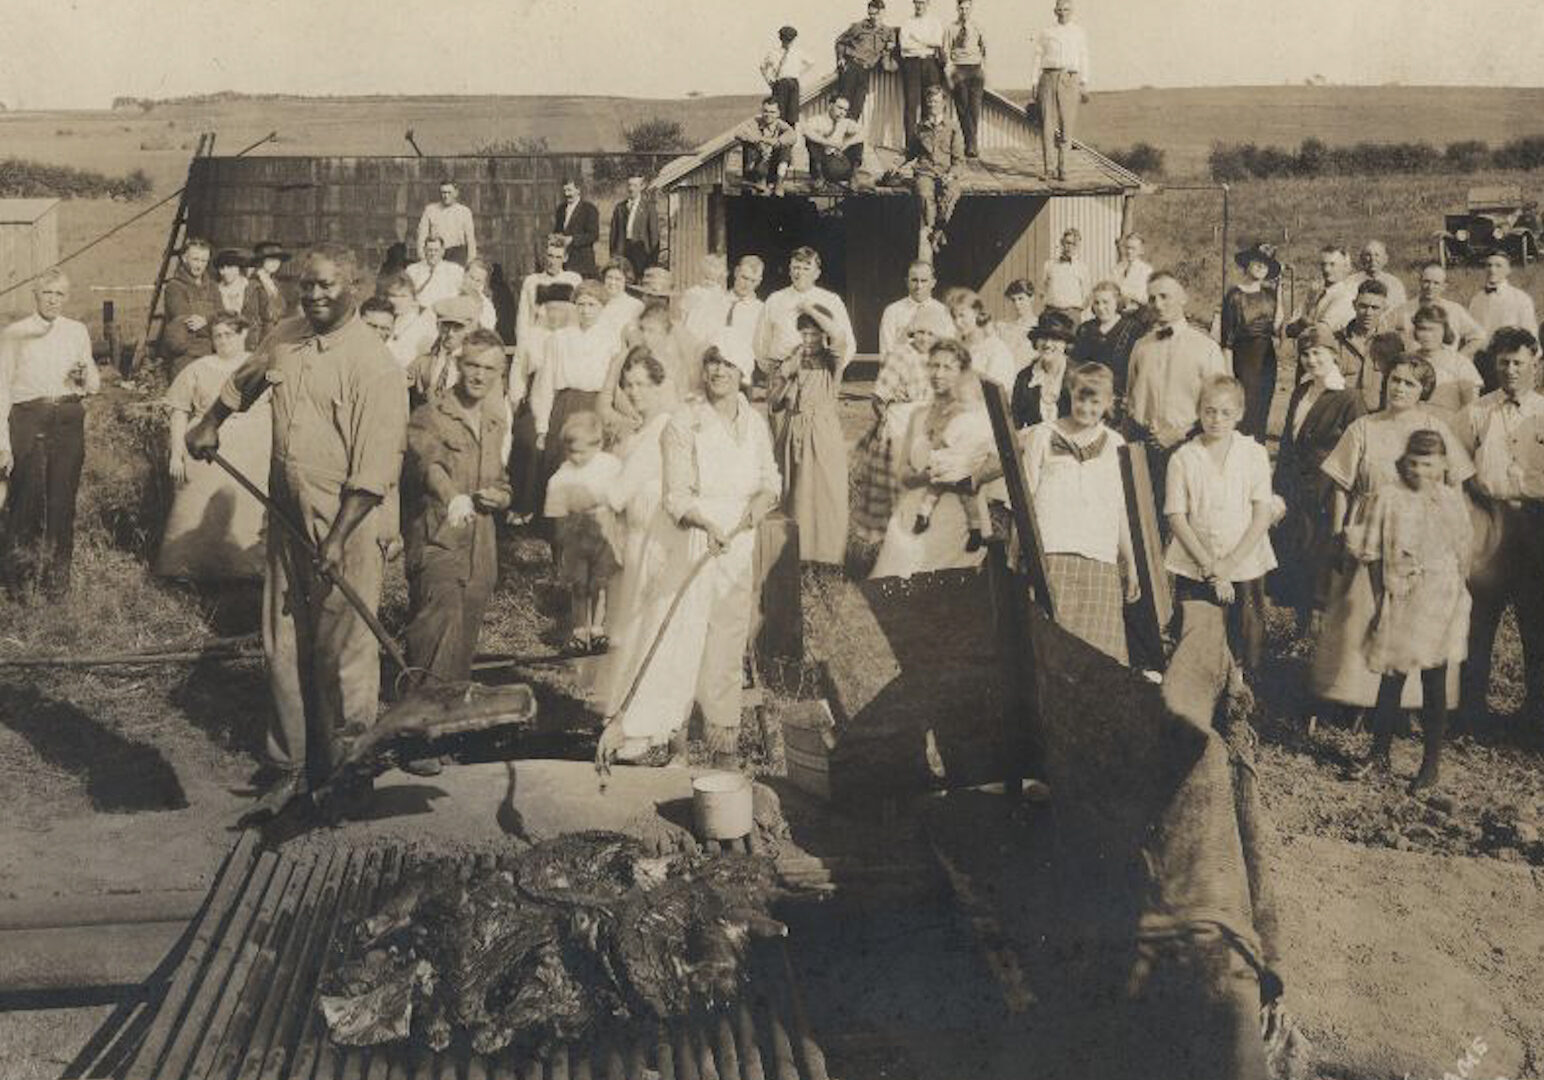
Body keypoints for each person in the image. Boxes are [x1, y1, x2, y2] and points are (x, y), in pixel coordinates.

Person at [185, 242, 408, 791]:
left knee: (346, 647)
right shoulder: (284, 335)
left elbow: (374, 471)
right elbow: (246, 381)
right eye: (306, 284)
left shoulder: (374, 365)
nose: (313, 295)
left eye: (326, 285)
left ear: (354, 286)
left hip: (347, 523)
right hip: (285, 514)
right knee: (282, 638)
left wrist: (336, 538)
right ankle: (289, 762)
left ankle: (350, 764)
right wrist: (210, 421)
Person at [597, 346, 781, 769]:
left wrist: (762, 501)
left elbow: (770, 477)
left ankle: (722, 751)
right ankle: (670, 743)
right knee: (683, 640)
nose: (719, 370)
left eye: (728, 362)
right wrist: (705, 524)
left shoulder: (754, 422)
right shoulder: (685, 421)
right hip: (695, 538)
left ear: (743, 371)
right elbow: (675, 496)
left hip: (740, 539)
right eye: (713, 361)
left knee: (727, 642)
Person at [1311, 355, 1474, 725]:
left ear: (1423, 391)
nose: (1399, 388)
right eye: (1395, 380)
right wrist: (1340, 533)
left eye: (1410, 383)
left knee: (1415, 621)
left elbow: (1456, 483)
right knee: (1361, 616)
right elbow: (1340, 486)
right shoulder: (1363, 427)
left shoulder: (1436, 428)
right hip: (1367, 529)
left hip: (1419, 538)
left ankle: (1409, 708)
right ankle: (1352, 701)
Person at [1344, 428, 1471, 792]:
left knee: (1434, 680)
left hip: (1440, 598)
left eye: (1428, 464)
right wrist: (1381, 596)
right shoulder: (1389, 497)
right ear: (1405, 463)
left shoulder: (1451, 501)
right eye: (1414, 463)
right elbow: (1370, 554)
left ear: (1443, 465)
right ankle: (1379, 752)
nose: (1420, 471)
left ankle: (1430, 765)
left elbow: (1463, 556)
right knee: (1391, 677)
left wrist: (1455, 598)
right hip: (1398, 594)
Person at [401, 335, 511, 692]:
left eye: (489, 368)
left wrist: (502, 496)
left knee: (465, 634)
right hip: (439, 539)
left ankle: (449, 718)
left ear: (500, 373)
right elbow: (428, 465)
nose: (480, 375)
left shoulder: (495, 421)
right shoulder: (429, 415)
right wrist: (453, 498)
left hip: (481, 545)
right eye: (473, 365)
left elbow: (502, 478)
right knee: (435, 630)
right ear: (460, 366)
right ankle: (422, 714)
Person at [1452, 327, 1544, 732]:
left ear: (1535, 362)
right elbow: (1452, 463)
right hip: (1489, 522)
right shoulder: (1476, 412)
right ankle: (1472, 711)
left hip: (1537, 523)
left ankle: (1535, 714)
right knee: (1479, 618)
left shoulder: (1543, 411)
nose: (1510, 370)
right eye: (1503, 362)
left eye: (1518, 362)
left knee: (1536, 621)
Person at [1164, 375, 1278, 683]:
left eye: (1226, 413)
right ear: (1199, 411)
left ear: (1239, 413)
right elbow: (1176, 516)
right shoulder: (1184, 457)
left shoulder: (1252, 453)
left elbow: (1261, 514)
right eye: (1209, 411)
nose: (1216, 419)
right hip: (1196, 562)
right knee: (1199, 635)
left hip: (1244, 562)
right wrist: (1211, 567)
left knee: (1244, 634)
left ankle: (1240, 698)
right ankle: (1202, 699)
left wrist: (1228, 566)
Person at [1023, 362, 1139, 661]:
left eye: (1095, 401)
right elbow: (1025, 499)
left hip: (1098, 558)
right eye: (1080, 399)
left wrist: (1131, 563)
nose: (1086, 408)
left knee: (1100, 655)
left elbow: (1119, 508)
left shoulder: (1116, 444)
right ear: (1069, 394)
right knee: (1051, 648)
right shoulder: (1044, 435)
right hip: (1052, 551)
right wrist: (1020, 550)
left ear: (1109, 403)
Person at [594, 349, 677, 761]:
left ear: (660, 386)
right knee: (629, 626)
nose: (634, 392)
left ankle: (643, 729)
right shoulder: (638, 430)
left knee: (645, 628)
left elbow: (618, 490)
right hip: (633, 538)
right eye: (628, 385)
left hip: (654, 541)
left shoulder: (661, 428)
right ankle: (627, 722)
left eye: (643, 384)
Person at [0, 269, 100, 596]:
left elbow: (94, 384)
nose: (53, 300)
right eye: (47, 293)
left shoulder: (76, 331)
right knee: (25, 498)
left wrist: (84, 377)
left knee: (62, 500)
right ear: (35, 294)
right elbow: (2, 389)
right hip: (29, 416)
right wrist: (3, 443)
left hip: (68, 416)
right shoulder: (15, 333)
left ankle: (57, 584)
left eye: (59, 294)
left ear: (66, 297)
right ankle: (19, 584)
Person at [157, 310, 270, 581]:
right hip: (206, 450)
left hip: (254, 449)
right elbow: (179, 411)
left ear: (244, 334)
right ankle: (187, 568)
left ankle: (247, 569)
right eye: (217, 336)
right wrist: (176, 453)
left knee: (249, 509)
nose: (222, 341)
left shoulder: (260, 366)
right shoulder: (197, 368)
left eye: (229, 334)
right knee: (195, 505)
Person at [1268, 324, 1367, 632]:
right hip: (1297, 486)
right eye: (1306, 354)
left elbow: (1359, 448)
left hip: (1327, 490)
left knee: (1322, 553)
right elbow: (1288, 439)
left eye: (1318, 353)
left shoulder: (1349, 398)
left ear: (1333, 355)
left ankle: (1321, 626)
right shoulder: (1301, 390)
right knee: (1297, 551)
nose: (1311, 360)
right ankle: (1301, 622)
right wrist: (1278, 486)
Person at [870, 338, 996, 578]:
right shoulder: (918, 414)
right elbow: (903, 475)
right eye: (934, 365)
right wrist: (924, 476)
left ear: (963, 373)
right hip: (918, 512)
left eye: (948, 367)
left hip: (961, 519)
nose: (938, 374)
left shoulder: (978, 417)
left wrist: (968, 477)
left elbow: (998, 463)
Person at [853, 305, 952, 546]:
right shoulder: (901, 354)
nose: (925, 338)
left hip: (928, 426)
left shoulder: (938, 359)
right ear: (913, 332)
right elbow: (879, 397)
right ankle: (884, 541)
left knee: (924, 483)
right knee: (895, 482)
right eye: (920, 332)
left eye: (931, 334)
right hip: (900, 422)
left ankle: (918, 538)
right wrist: (886, 421)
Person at [1124, 272, 1230, 492]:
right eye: (1152, 298)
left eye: (1165, 296)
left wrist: (1180, 433)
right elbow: (1131, 398)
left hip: (1190, 446)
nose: (1158, 304)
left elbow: (1221, 405)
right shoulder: (1140, 347)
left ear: (1183, 298)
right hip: (1145, 448)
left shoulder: (1206, 348)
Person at [768, 306, 851, 566]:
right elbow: (773, 402)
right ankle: (795, 555)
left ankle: (826, 557)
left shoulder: (831, 361)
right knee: (794, 494)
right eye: (804, 334)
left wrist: (808, 307)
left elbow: (839, 335)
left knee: (824, 492)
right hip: (794, 429)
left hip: (823, 432)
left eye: (815, 334)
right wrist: (785, 375)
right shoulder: (792, 360)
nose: (809, 340)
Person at [544, 410, 622, 654]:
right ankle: (580, 630)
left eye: (582, 452)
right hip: (575, 536)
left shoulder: (610, 466)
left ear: (598, 444)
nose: (575, 457)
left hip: (604, 532)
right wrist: (559, 546)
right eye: (571, 451)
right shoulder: (561, 476)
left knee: (600, 582)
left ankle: (597, 629)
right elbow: (556, 516)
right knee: (579, 584)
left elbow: (620, 500)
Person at [532, 282, 616, 507]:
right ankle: (556, 524)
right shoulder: (559, 338)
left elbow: (614, 383)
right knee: (561, 460)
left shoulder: (612, 340)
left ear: (602, 307)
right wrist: (542, 426)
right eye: (581, 304)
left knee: (592, 462)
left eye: (592, 305)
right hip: (565, 404)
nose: (586, 310)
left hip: (595, 405)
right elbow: (545, 383)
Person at [508, 282, 574, 524]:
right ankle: (524, 503)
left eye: (561, 309)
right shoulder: (532, 337)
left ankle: (552, 508)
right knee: (528, 440)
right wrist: (517, 400)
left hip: (562, 399)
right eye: (551, 309)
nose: (556, 315)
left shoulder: (572, 336)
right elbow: (518, 372)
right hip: (534, 400)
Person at [755, 247, 857, 374]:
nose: (800, 273)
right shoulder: (775, 300)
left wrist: (832, 373)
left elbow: (847, 342)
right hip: (780, 373)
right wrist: (773, 372)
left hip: (816, 373)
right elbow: (761, 341)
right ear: (790, 271)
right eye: (796, 268)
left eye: (806, 269)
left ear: (817, 273)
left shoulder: (831, 300)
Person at [1219, 242, 1284, 439]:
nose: (1261, 266)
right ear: (1248, 263)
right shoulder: (1234, 296)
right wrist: (1228, 373)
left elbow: (1275, 327)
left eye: (1266, 264)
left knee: (1261, 411)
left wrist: (1279, 292)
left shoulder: (1270, 295)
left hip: (1266, 360)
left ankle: (1257, 454)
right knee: (1243, 412)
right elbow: (1227, 340)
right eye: (1258, 261)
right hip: (1243, 360)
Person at [1030, 0, 1091, 180]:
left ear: (1072, 11)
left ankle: (1063, 168)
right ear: (1055, 11)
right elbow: (1037, 56)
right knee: (1047, 124)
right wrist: (1034, 81)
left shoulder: (1079, 32)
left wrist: (1084, 81)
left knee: (1067, 123)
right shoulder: (1047, 32)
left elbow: (1084, 56)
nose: (1063, 13)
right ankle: (1049, 169)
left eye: (1067, 9)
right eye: (1060, 9)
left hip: (1070, 78)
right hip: (1048, 77)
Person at [1383, 261, 1485, 356]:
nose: (1430, 287)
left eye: (1436, 283)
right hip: (1413, 367)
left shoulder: (1455, 310)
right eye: (1426, 282)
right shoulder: (1403, 309)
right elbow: (1382, 331)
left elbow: (1479, 336)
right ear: (1420, 282)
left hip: (1445, 368)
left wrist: (1458, 358)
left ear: (1444, 286)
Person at [1071, 280, 1144, 403]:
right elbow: (1076, 365)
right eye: (1096, 303)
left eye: (1106, 302)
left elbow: (1139, 370)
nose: (1101, 308)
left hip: (1121, 398)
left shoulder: (1133, 329)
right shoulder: (1085, 329)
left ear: (1117, 302)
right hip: (1089, 397)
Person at [911, 85, 963, 253]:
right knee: (925, 195)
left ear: (944, 103)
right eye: (930, 101)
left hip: (945, 173)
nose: (933, 104)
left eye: (936, 101)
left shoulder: (953, 127)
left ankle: (938, 231)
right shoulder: (920, 127)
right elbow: (910, 151)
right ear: (927, 103)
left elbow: (958, 160)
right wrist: (896, 164)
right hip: (925, 172)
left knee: (952, 193)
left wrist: (951, 175)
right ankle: (934, 232)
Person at [406, 294, 478, 409]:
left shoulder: (476, 365)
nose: (450, 333)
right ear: (438, 327)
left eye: (457, 327)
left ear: (467, 330)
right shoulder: (422, 362)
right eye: (446, 326)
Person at [159, 237, 218, 376]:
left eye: (204, 261)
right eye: (195, 259)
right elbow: (186, 324)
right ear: (184, 258)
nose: (199, 265)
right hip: (185, 357)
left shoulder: (213, 287)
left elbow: (223, 318)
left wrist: (206, 321)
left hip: (212, 353)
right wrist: (213, 321)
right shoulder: (175, 287)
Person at [1409, 305, 1483, 414]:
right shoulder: (1408, 360)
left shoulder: (1460, 363)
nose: (1427, 335)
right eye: (1422, 329)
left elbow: (1471, 407)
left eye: (1433, 330)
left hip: (1448, 424)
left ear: (1444, 331)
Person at [896, 0, 947, 156]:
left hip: (930, 64)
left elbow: (937, 42)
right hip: (911, 64)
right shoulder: (907, 23)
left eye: (923, 3)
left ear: (928, 4)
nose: (920, 6)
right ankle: (911, 145)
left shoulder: (935, 22)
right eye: (917, 2)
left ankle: (927, 144)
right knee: (911, 105)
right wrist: (925, 43)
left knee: (929, 104)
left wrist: (916, 39)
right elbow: (904, 45)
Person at [834, 0, 896, 121]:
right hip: (852, 66)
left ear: (883, 13)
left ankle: (850, 133)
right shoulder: (858, 27)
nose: (873, 17)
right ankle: (837, 135)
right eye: (870, 14)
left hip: (866, 70)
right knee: (843, 102)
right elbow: (840, 42)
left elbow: (890, 48)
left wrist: (888, 51)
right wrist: (840, 58)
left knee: (858, 104)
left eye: (876, 14)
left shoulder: (888, 32)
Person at [516, 235, 583, 345]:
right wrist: (523, 347)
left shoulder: (574, 280)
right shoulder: (532, 281)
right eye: (550, 256)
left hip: (566, 341)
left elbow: (579, 315)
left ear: (565, 258)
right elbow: (523, 318)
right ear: (545, 256)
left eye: (558, 257)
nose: (553, 261)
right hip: (539, 340)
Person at [1012, 310, 1075, 429]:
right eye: (1043, 338)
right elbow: (1016, 423)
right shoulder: (1025, 378)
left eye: (1055, 339)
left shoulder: (1080, 375)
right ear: (1036, 341)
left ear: (1065, 343)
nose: (1048, 344)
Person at [949, 288, 1017, 391]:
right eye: (954, 317)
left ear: (976, 313)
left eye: (962, 315)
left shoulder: (996, 350)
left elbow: (997, 394)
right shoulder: (957, 347)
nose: (957, 322)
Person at [880, 261, 951, 359]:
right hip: (901, 369)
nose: (919, 286)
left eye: (924, 281)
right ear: (907, 282)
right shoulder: (892, 311)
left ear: (933, 283)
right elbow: (886, 350)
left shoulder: (944, 312)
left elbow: (949, 349)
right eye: (914, 280)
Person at [1287, 246, 1358, 340]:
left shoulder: (1345, 297)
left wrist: (1302, 321)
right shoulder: (1316, 293)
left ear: (1344, 267)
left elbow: (1321, 331)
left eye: (1332, 264)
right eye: (1323, 264)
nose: (1326, 269)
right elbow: (1290, 329)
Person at [734, 98, 799, 197]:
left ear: (778, 113)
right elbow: (738, 132)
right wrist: (758, 143)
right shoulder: (755, 122)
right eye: (765, 111)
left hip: (773, 167)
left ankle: (779, 183)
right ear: (762, 111)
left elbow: (793, 136)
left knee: (785, 147)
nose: (768, 115)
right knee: (749, 144)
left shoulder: (781, 125)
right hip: (757, 165)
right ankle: (759, 180)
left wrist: (771, 142)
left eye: (772, 112)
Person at [947, 0, 987, 157]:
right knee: (963, 107)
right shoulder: (951, 28)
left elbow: (985, 49)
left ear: (971, 9)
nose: (964, 11)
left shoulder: (978, 27)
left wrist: (984, 69)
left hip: (976, 69)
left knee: (975, 108)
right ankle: (971, 144)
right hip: (959, 69)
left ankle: (971, 143)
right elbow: (946, 50)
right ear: (957, 9)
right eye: (961, 8)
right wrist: (950, 72)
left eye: (967, 8)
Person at [380, 271, 439, 370]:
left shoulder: (424, 322)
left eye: (403, 296)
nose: (397, 301)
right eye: (393, 295)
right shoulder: (388, 318)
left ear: (413, 298)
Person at [802, 95, 866, 187]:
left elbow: (863, 133)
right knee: (812, 142)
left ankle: (853, 177)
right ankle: (820, 178)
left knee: (858, 143)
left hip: (840, 164)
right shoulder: (817, 120)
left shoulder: (845, 122)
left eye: (845, 110)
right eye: (840, 108)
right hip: (822, 166)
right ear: (830, 106)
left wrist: (845, 145)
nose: (842, 113)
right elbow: (806, 132)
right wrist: (829, 143)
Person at [761, 24, 814, 129]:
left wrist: (799, 73)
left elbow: (811, 62)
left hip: (793, 83)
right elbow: (763, 67)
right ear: (781, 39)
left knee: (793, 115)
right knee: (779, 113)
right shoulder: (773, 53)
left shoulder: (797, 52)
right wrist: (769, 80)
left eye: (790, 39)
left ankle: (790, 138)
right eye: (786, 39)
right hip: (780, 83)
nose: (788, 42)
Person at [609, 175, 661, 278]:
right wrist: (613, 254)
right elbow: (613, 234)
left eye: (635, 185)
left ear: (642, 187)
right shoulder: (620, 207)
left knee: (639, 280)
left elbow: (654, 235)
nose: (631, 188)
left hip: (641, 251)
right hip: (623, 250)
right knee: (623, 278)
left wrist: (652, 259)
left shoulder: (649, 207)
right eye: (629, 185)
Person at [416, 179, 477, 265]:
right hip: (436, 252)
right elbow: (422, 236)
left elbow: (470, 239)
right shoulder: (430, 210)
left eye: (449, 192)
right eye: (443, 192)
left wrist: (471, 261)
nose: (446, 196)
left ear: (456, 193)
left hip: (457, 254)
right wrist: (422, 257)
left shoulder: (465, 211)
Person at [552, 179, 600, 278]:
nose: (566, 194)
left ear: (578, 190)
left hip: (582, 263)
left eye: (569, 190)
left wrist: (572, 239)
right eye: (564, 191)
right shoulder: (561, 209)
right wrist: (556, 237)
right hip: (563, 262)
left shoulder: (589, 209)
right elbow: (558, 230)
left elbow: (593, 235)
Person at [1041, 228, 1091, 320]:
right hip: (1052, 313)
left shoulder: (1082, 268)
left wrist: (1075, 311)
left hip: (1071, 315)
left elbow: (1087, 296)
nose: (1070, 247)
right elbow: (1042, 289)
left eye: (1074, 244)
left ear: (1078, 246)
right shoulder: (1049, 265)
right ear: (1062, 243)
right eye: (1067, 243)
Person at [212, 248, 259, 346]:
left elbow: (261, 318)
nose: (225, 272)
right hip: (223, 343)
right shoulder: (215, 290)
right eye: (222, 268)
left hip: (250, 342)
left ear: (238, 267)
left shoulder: (252, 288)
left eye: (230, 267)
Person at [247, 241, 291, 345]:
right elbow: (252, 319)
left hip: (279, 334)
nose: (275, 263)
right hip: (263, 338)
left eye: (278, 260)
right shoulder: (254, 284)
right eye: (271, 260)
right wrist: (254, 345)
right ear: (261, 261)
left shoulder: (275, 283)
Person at [406, 236, 465, 310]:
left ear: (442, 251)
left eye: (436, 250)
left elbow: (463, 294)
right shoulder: (412, 270)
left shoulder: (455, 270)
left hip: (447, 312)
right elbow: (407, 295)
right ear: (424, 250)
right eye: (429, 250)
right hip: (420, 312)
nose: (433, 253)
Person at [595, 260, 646, 342]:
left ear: (626, 280)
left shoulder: (636, 306)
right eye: (609, 277)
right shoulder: (595, 302)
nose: (612, 282)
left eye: (618, 279)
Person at [995, 279, 1039, 369]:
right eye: (1013, 300)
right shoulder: (1002, 327)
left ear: (1031, 298)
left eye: (1021, 298)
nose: (1017, 304)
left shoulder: (1040, 326)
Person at [1352, 240, 1407, 309]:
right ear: (1362, 258)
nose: (1372, 259)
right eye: (1368, 255)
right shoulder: (1352, 282)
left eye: (1377, 255)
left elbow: (1400, 310)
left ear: (1385, 259)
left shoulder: (1395, 284)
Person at [1113, 233, 1153, 314]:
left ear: (1141, 251)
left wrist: (1125, 294)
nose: (1129, 251)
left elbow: (1145, 297)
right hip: (1118, 312)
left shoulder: (1146, 270)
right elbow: (1112, 289)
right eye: (1127, 248)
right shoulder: (1117, 268)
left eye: (1133, 248)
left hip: (1138, 313)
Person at [460, 257, 499, 331]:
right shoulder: (452, 296)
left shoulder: (487, 308)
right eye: (471, 277)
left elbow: (485, 336)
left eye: (478, 281)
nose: (472, 283)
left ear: (483, 284)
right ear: (464, 275)